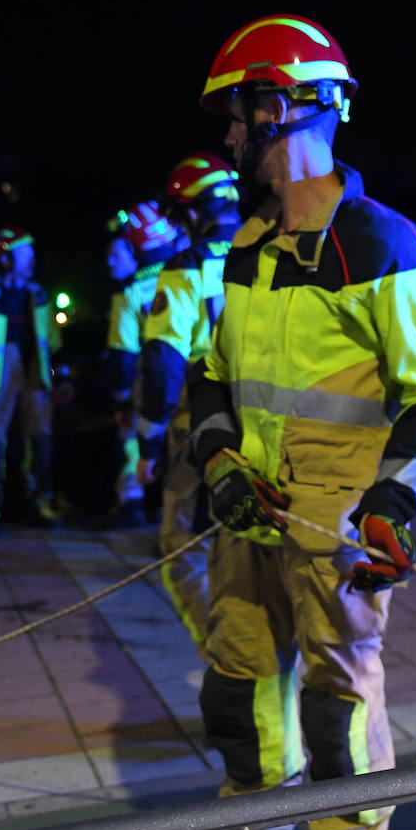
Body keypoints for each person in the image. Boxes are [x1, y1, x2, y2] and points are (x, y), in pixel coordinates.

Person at [187, 14, 416, 830]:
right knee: (238, 702)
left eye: (240, 112)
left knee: (335, 720)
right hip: (248, 524)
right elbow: (211, 375)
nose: (231, 133)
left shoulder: (383, 246)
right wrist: (220, 461)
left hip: (334, 537)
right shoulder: (248, 245)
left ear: (286, 106)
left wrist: (392, 504)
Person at [135, 153, 241, 650]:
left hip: (195, 428)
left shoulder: (186, 267)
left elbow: (162, 359)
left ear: (195, 212)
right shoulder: (269, 255)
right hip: (263, 424)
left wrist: (149, 439)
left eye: (179, 216)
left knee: (181, 553)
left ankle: (225, 661)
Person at [0, 225, 65, 537]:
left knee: (41, 435)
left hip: (35, 374)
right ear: (6, 259)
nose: (32, 260)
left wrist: (64, 378)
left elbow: (54, 342)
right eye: (25, 254)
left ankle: (40, 500)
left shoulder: (39, 295)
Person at [103, 201, 182, 527]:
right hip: (192, 375)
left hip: (147, 377)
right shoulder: (189, 270)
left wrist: (120, 397)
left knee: (134, 440)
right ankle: (173, 515)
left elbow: (123, 352)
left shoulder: (131, 291)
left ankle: (132, 503)